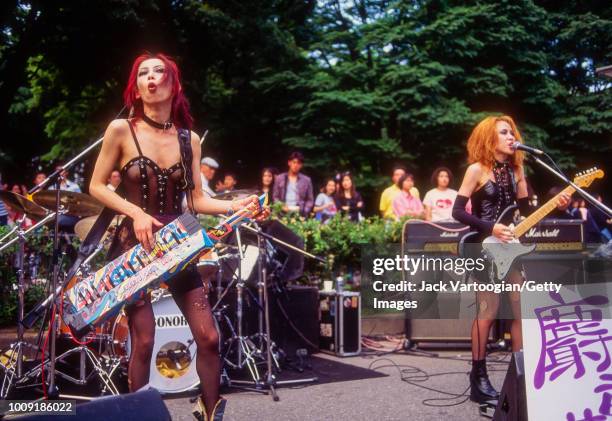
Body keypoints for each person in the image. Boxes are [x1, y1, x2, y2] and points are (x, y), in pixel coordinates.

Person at [89, 53, 266, 421]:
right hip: (133, 245)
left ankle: (209, 410)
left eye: (159, 71)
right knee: (145, 340)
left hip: (178, 243)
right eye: (143, 73)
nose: (151, 77)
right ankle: (137, 415)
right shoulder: (121, 130)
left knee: (209, 337)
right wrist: (135, 212)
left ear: (174, 83)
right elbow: (96, 185)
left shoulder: (189, 140)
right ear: (136, 87)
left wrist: (242, 204)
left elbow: (198, 199)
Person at [451, 115, 570, 404]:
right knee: (487, 312)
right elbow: (458, 212)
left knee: (521, 312)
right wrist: (491, 227)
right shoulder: (476, 170)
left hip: (511, 248)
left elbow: (528, 215)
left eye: (511, 132)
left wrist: (556, 207)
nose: (510, 136)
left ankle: (521, 377)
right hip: (485, 245)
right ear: (488, 138)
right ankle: (478, 377)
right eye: (503, 132)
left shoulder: (518, 172)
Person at [272, 151, 314, 217]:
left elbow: (310, 200)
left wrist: (304, 210)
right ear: (289, 163)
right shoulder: (279, 178)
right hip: (282, 212)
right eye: (294, 162)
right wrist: (281, 206)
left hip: (299, 214)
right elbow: (275, 197)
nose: (296, 165)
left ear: (301, 165)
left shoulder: (306, 180)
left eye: (299, 163)